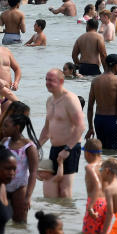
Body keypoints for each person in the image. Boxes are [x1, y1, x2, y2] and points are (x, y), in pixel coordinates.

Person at [39, 68, 86, 198]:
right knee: (51, 191)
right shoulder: (50, 101)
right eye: (46, 80)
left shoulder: (70, 99)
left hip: (70, 148)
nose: (48, 83)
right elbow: (47, 129)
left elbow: (80, 126)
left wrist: (67, 149)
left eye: (51, 80)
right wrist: (36, 145)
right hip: (55, 148)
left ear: (61, 81)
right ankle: (54, 215)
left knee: (64, 191)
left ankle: (67, 217)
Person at [0, 112, 39, 223]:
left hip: (20, 188)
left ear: (17, 128)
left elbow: (33, 172)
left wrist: (28, 197)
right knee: (1, 224)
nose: (3, 128)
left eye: (6, 126)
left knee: (20, 224)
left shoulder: (29, 146)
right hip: (4, 187)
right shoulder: (4, 142)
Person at [86, 54, 117, 150]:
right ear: (115, 66)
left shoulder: (95, 81)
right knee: (115, 152)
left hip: (98, 120)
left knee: (102, 151)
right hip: (112, 121)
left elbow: (90, 107)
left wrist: (90, 127)